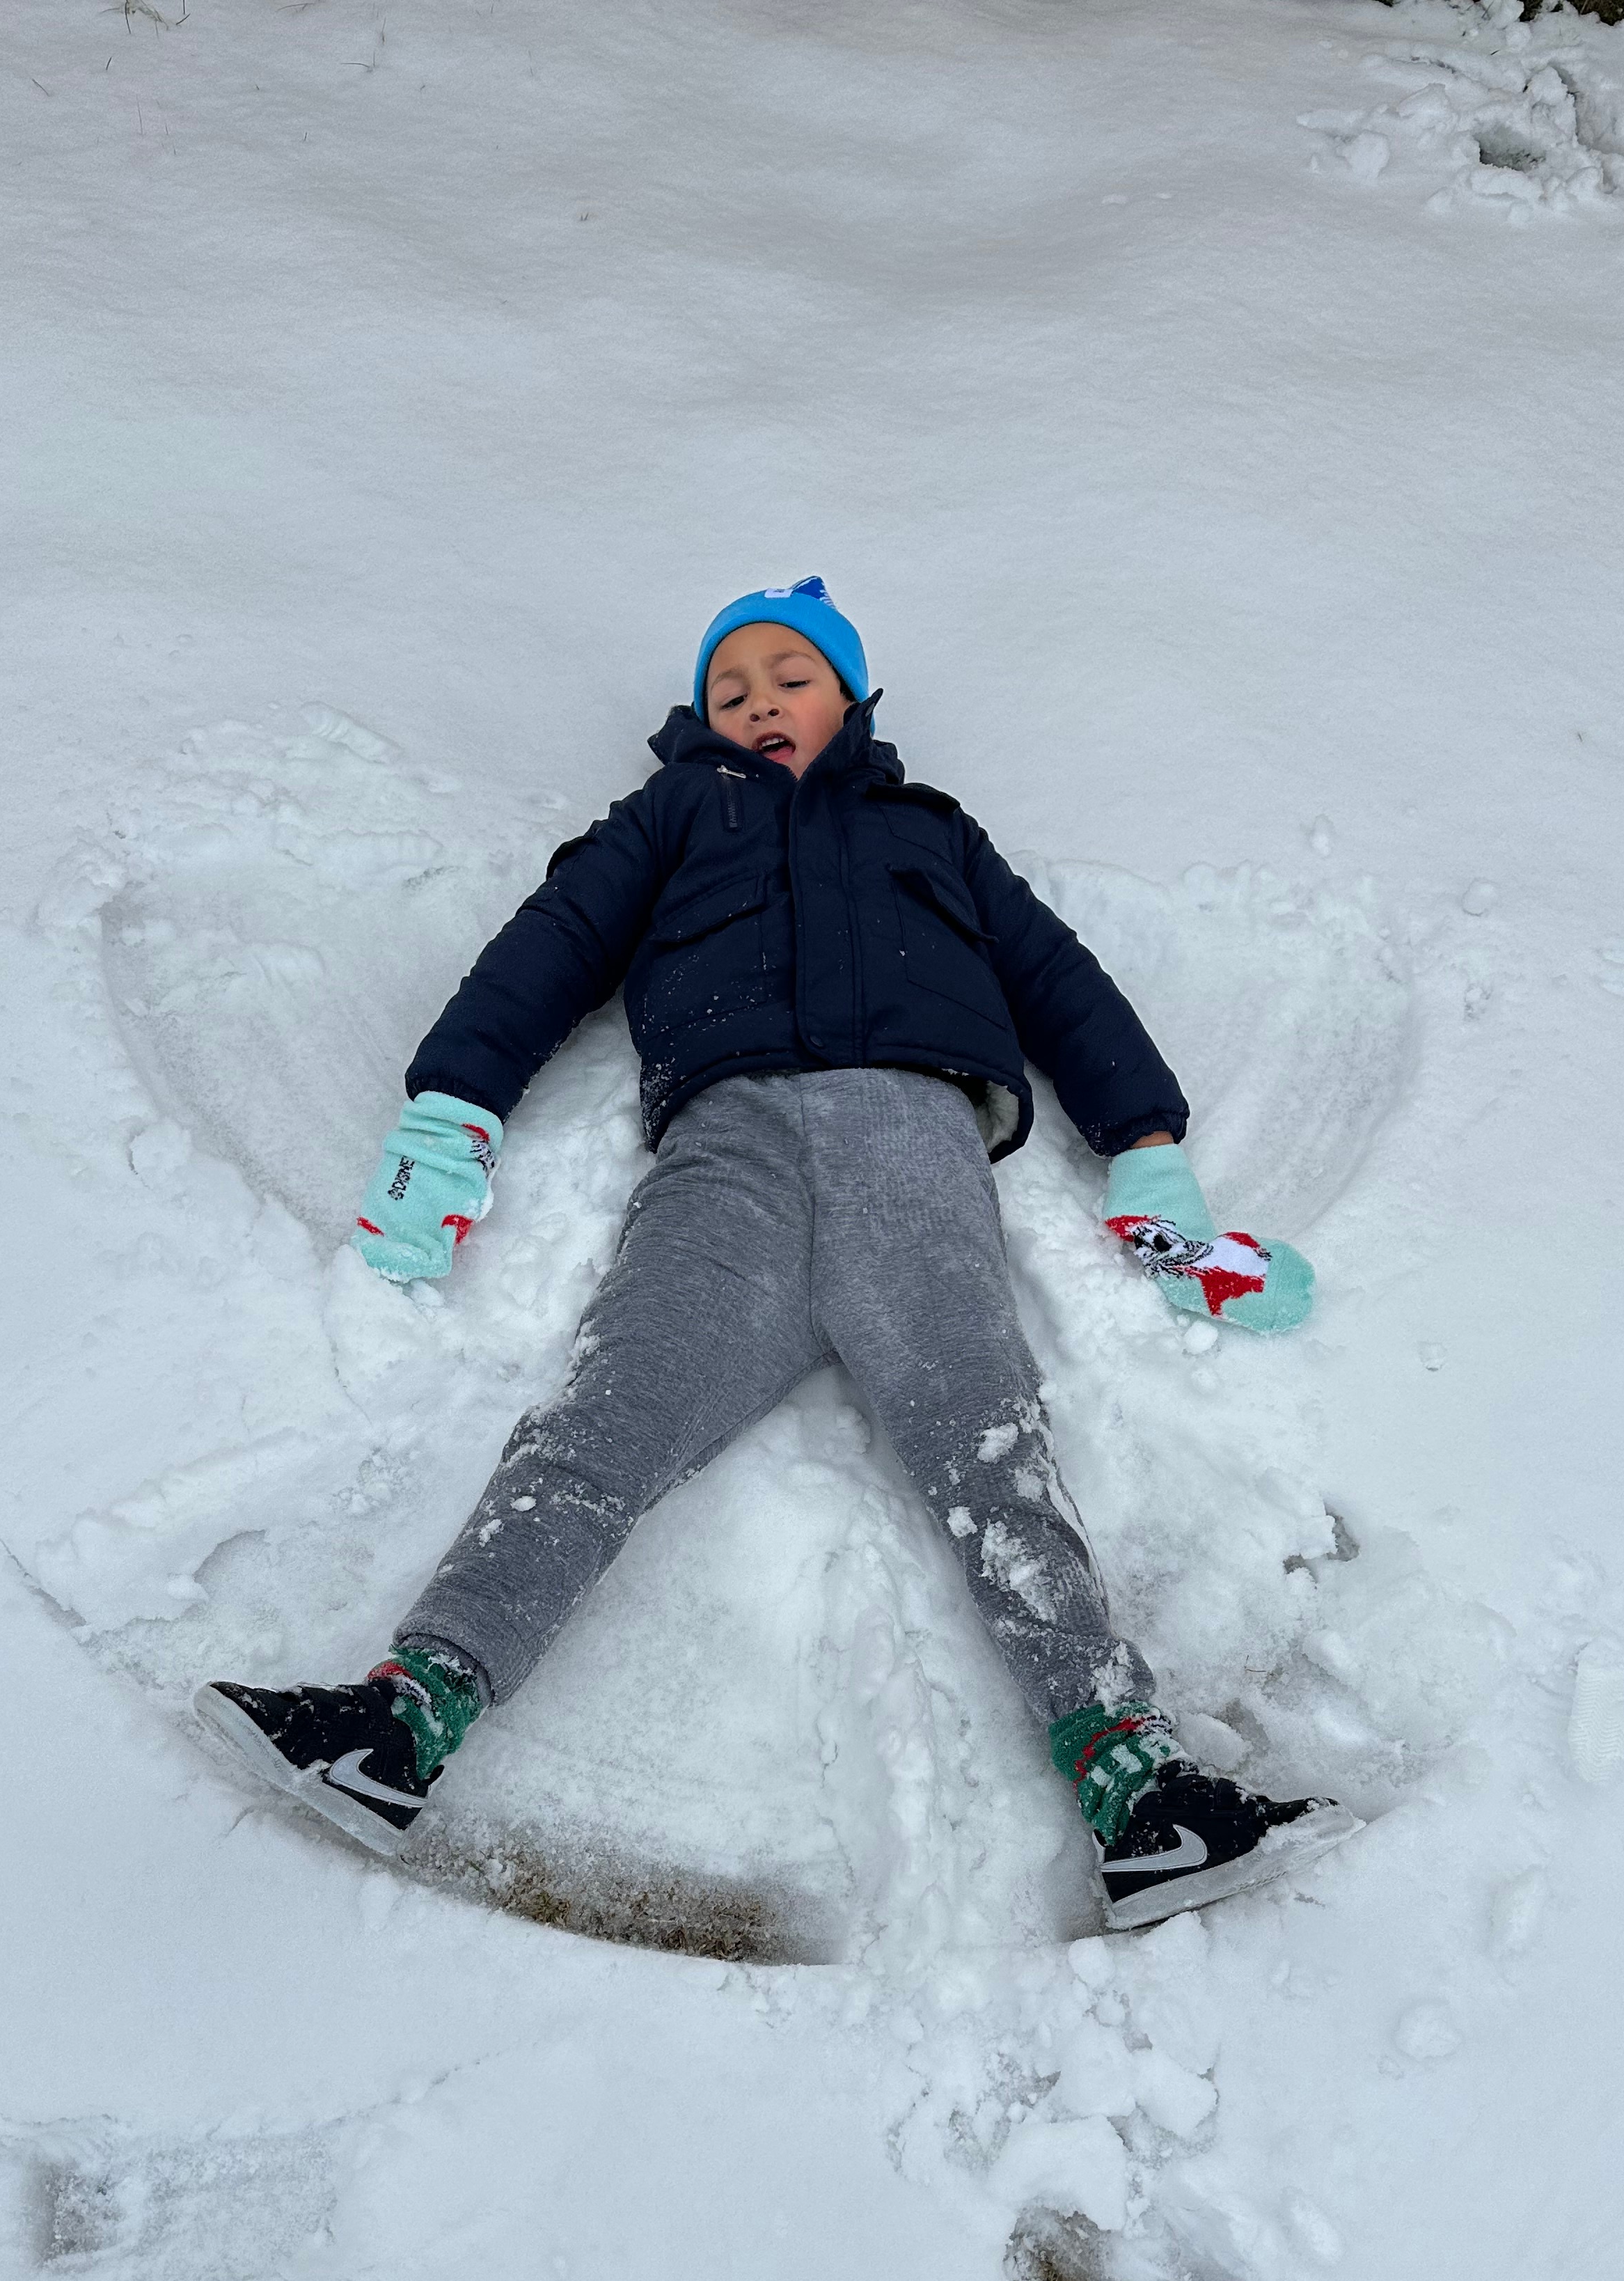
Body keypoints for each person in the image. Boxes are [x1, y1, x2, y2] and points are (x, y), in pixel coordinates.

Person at [196, 579, 1340, 1928]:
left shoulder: (931, 832)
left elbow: (1059, 981)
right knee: (597, 1432)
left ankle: (1136, 1788)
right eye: (729, 689)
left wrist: (1145, 1141)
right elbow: (552, 946)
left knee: (991, 1457)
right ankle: (400, 1724)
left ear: (851, 700)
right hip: (726, 1155)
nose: (756, 704)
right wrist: (457, 1104)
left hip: (913, 1139)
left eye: (788, 678)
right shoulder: (676, 816)